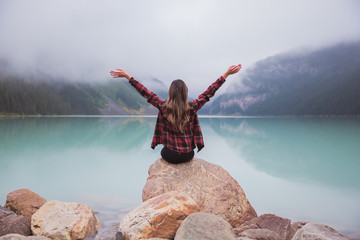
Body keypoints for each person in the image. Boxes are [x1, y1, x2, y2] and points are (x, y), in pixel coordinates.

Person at [110, 64, 241, 164]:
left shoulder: (163, 106)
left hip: (169, 155)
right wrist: (226, 74)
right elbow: (209, 92)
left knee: (164, 151)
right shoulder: (192, 107)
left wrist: (128, 76)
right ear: (186, 93)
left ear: (170, 92)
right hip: (187, 155)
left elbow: (145, 92)